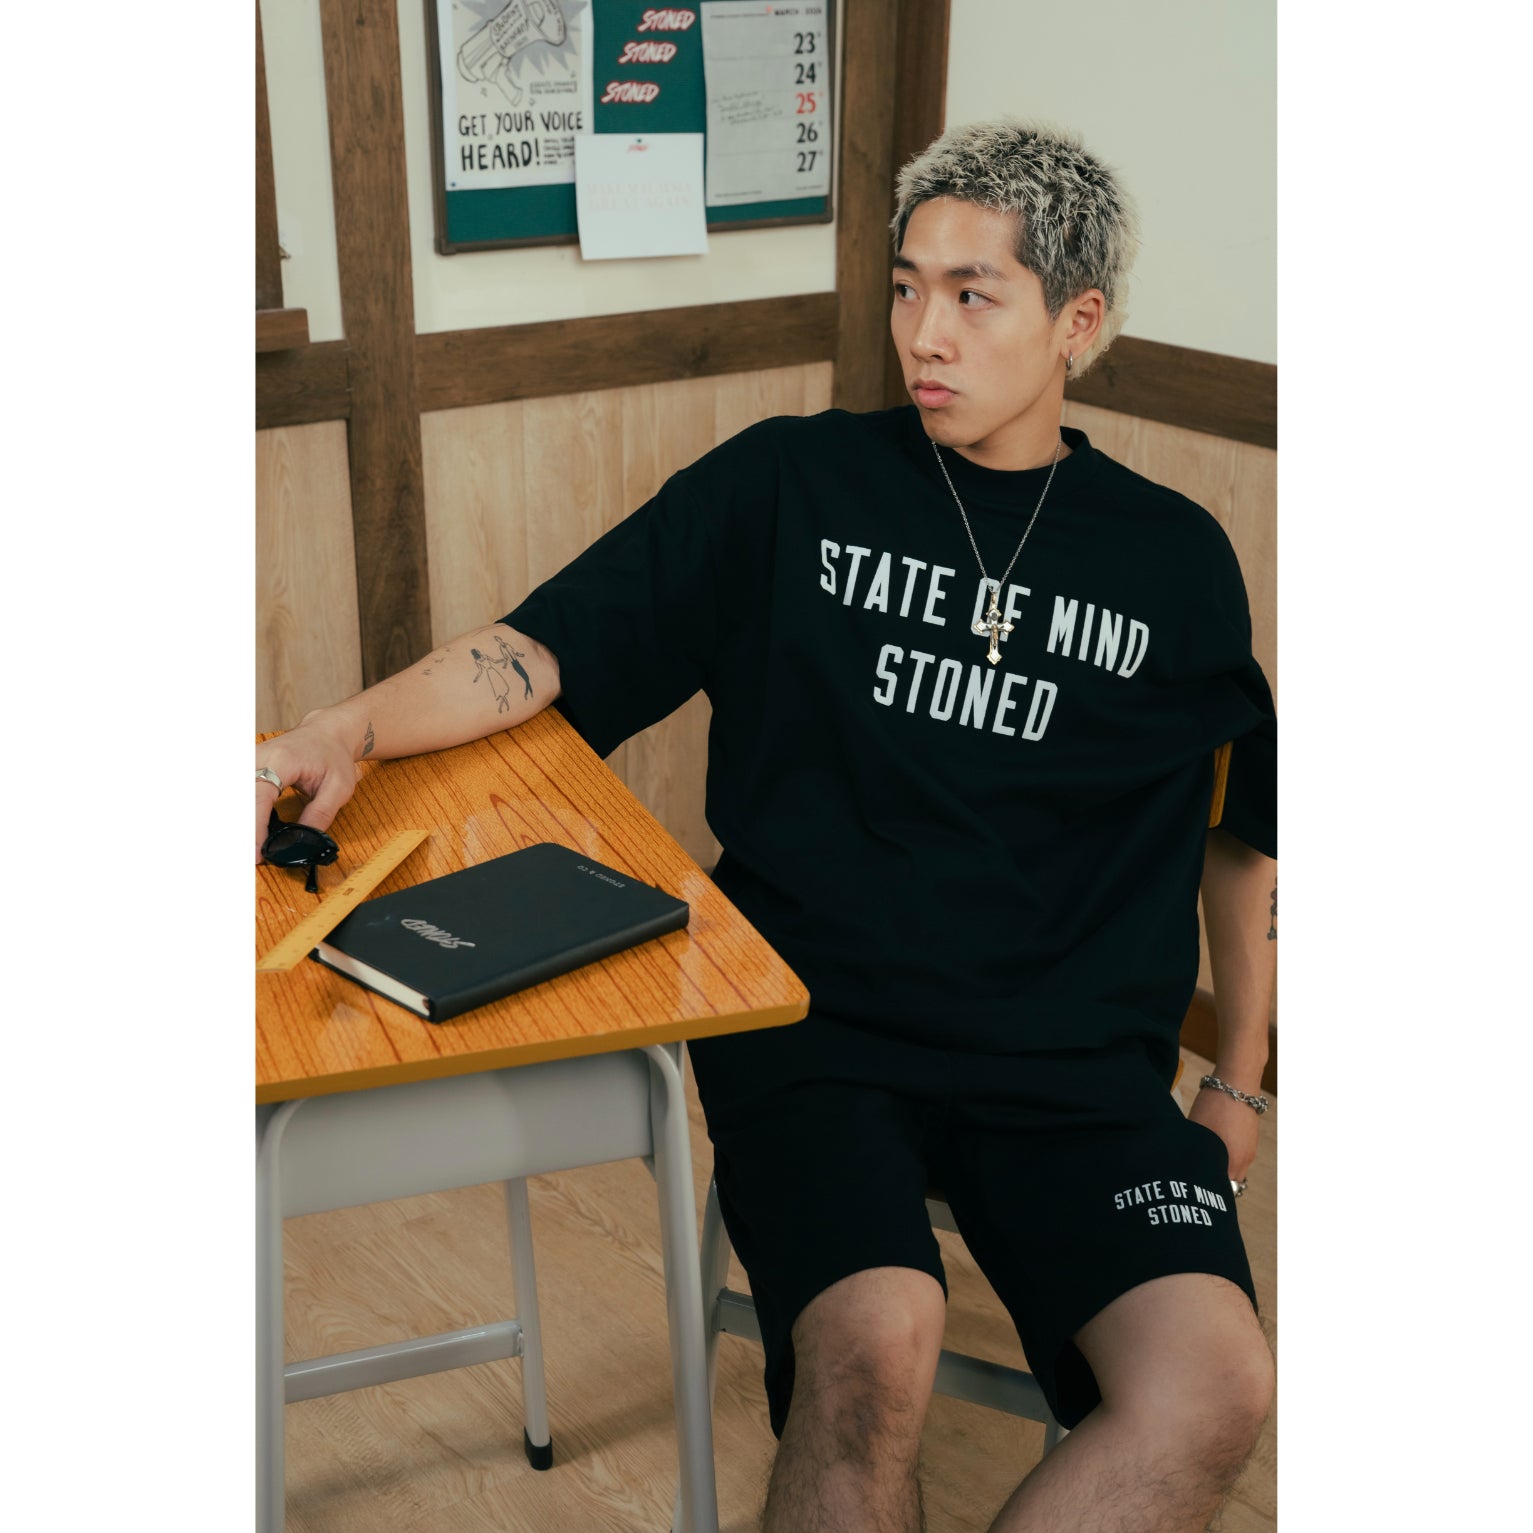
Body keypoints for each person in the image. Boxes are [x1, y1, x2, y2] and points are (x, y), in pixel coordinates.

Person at [257, 119, 1277, 1533]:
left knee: (1216, 1385)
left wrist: (1241, 1076)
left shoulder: (1174, 559)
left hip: (1073, 1064)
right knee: (875, 1346)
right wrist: (342, 727)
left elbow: (1241, 826)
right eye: (905, 287)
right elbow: (537, 651)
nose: (923, 333)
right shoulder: (789, 483)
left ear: (1077, 324)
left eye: (972, 295)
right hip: (815, 1024)